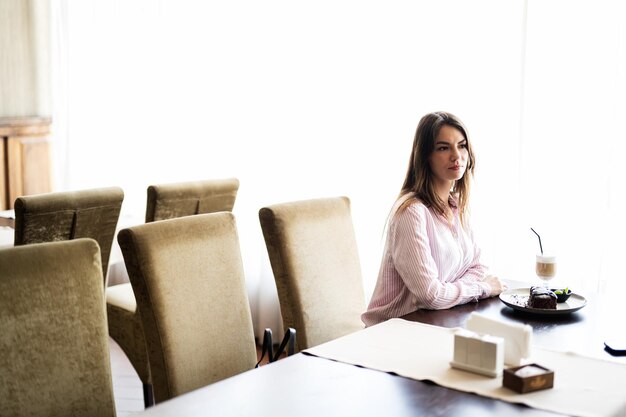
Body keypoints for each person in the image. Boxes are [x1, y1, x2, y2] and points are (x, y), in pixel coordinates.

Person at [361, 111, 505, 327]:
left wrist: (449, 291)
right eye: (443, 148)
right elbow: (430, 295)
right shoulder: (411, 212)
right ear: (425, 156)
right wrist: (482, 288)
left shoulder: (456, 206)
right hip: (391, 333)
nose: (457, 156)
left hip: (435, 324)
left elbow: (478, 267)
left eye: (462, 145)